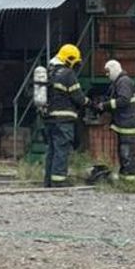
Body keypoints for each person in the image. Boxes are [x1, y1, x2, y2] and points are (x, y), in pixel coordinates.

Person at [43, 43, 88, 187]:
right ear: (69, 59)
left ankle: (49, 181)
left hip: (49, 118)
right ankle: (59, 181)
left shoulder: (50, 72)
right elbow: (78, 97)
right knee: (62, 149)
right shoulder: (68, 74)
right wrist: (91, 103)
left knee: (52, 150)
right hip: (63, 119)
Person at [96, 59, 135, 185]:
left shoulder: (124, 82)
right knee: (123, 154)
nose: (107, 75)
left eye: (108, 72)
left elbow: (123, 100)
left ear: (114, 69)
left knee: (128, 154)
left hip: (129, 126)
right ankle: (125, 180)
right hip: (124, 125)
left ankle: (131, 182)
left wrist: (104, 106)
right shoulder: (117, 83)